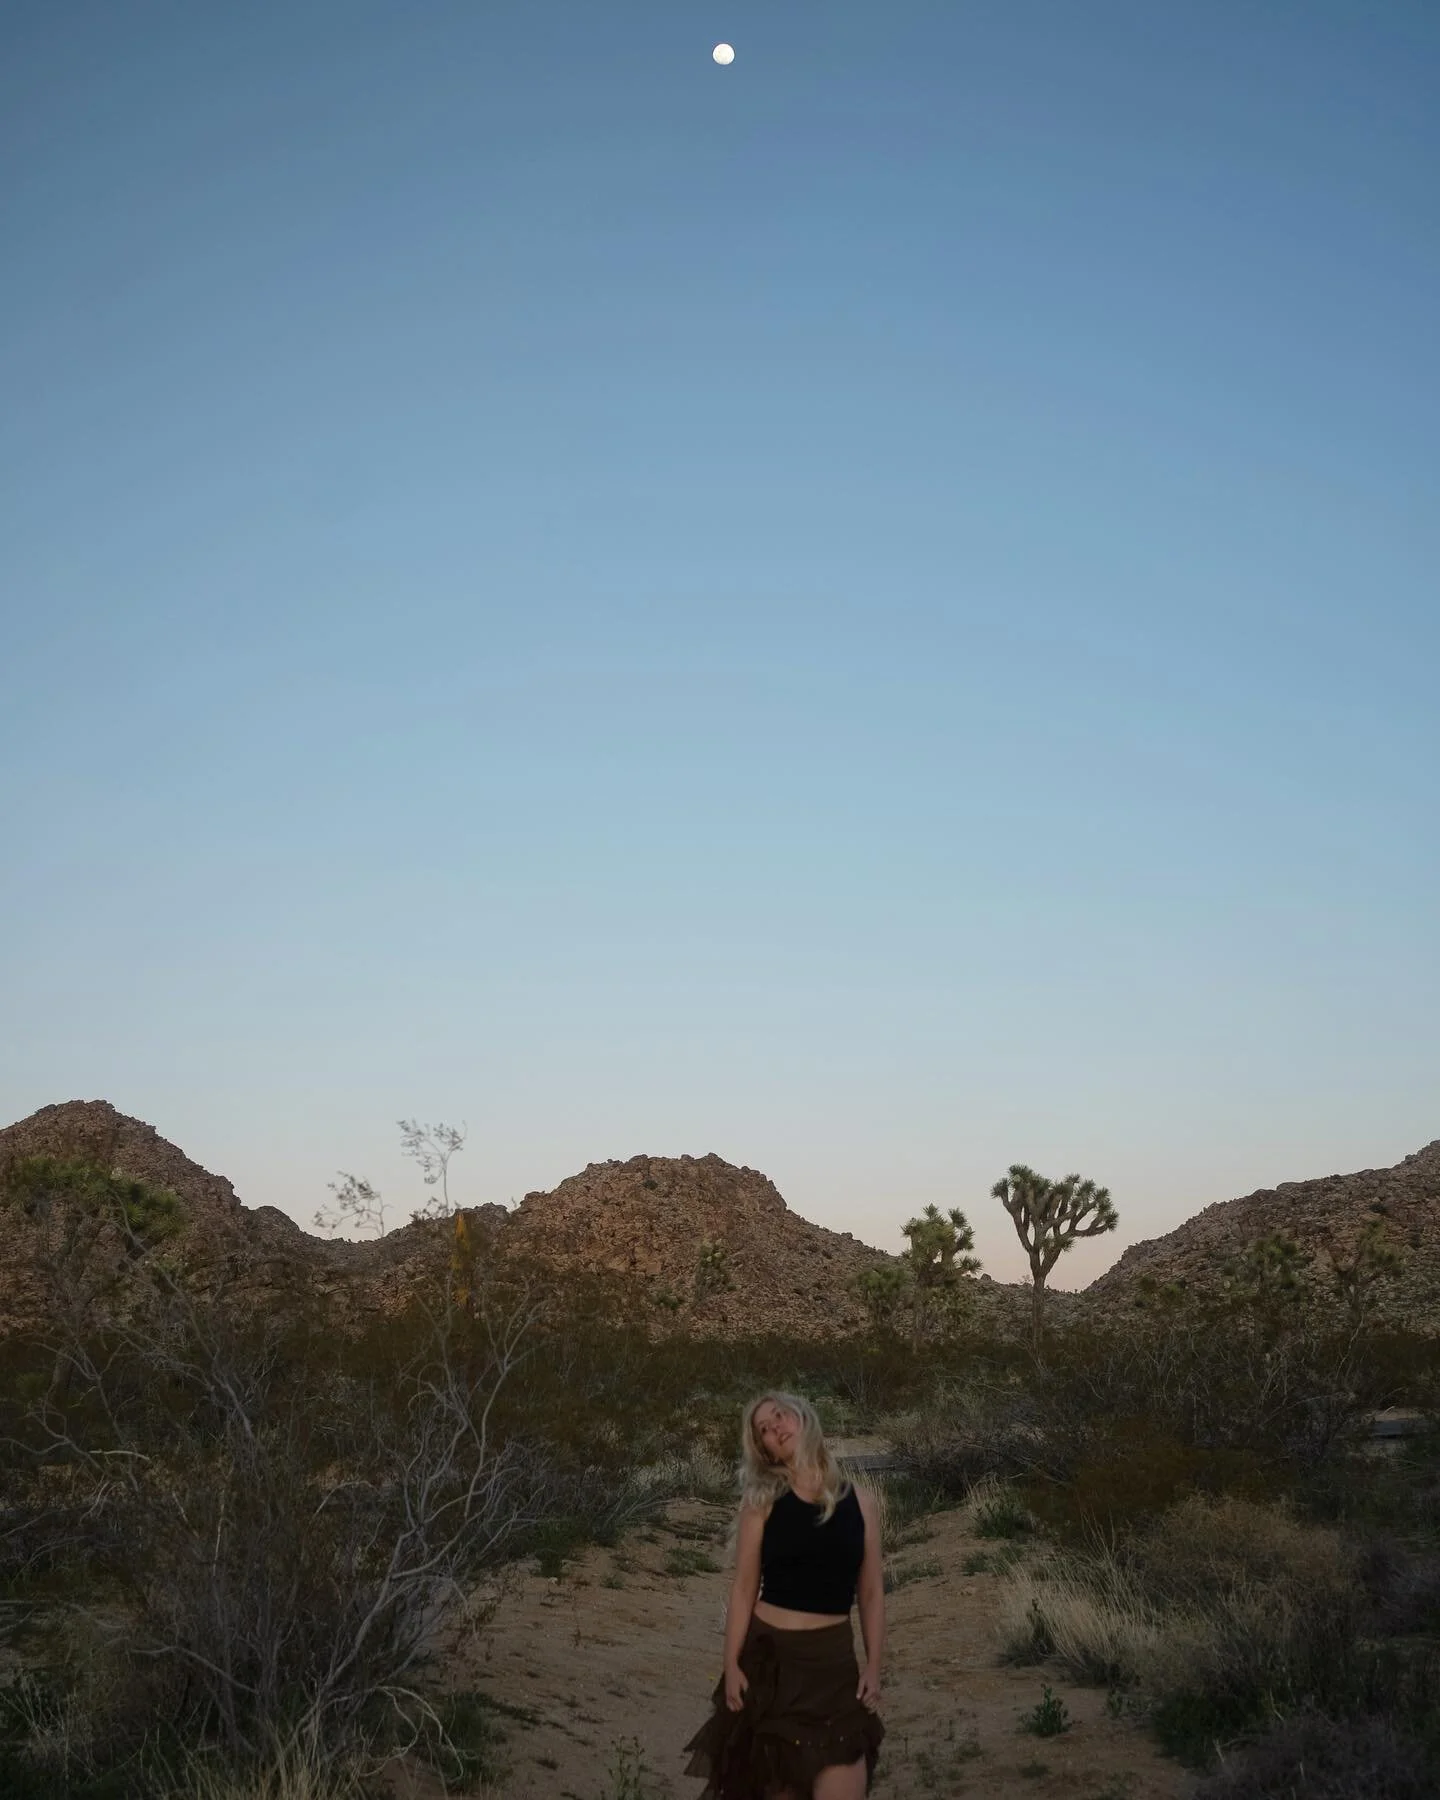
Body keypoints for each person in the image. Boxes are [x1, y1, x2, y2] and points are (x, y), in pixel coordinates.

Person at [684, 1391, 885, 1800]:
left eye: (779, 1416)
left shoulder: (861, 1503)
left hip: (834, 1672)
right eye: (764, 1429)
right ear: (765, 1451)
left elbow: (871, 1592)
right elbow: (742, 1589)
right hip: (774, 1671)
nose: (776, 1428)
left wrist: (874, 1665)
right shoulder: (762, 1503)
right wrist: (731, 1664)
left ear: (803, 1416)